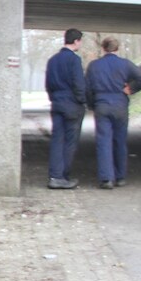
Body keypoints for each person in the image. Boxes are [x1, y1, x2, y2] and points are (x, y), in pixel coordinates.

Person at [85, 37, 141, 189]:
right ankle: (120, 177)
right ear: (117, 49)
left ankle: (106, 178)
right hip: (120, 104)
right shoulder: (125, 64)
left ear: (103, 48)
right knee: (120, 141)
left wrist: (92, 105)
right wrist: (130, 89)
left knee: (104, 141)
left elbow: (87, 88)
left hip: (102, 104)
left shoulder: (94, 66)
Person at [45, 28, 85, 189]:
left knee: (56, 140)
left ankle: (54, 176)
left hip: (57, 104)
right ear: (76, 41)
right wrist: (82, 100)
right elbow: (78, 83)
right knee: (69, 142)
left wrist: (54, 98)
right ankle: (63, 176)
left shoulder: (52, 60)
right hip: (72, 105)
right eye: (80, 41)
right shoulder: (74, 60)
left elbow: (48, 84)